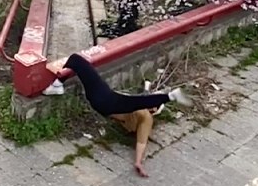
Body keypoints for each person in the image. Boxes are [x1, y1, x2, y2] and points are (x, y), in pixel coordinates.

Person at [44, 53, 191, 178]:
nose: (150, 107)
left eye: (153, 106)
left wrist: (138, 162)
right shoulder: (138, 108)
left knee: (134, 102)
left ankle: (170, 97)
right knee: (76, 60)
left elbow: (142, 141)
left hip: (107, 104)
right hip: (107, 98)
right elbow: (141, 101)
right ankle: (57, 85)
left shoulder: (146, 118)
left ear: (154, 110)